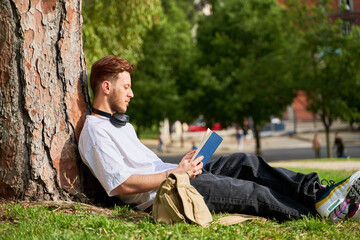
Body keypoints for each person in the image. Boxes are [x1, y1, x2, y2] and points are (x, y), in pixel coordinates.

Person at [79, 55, 360, 223]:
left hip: (176, 177)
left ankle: (319, 192)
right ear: (106, 87)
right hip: (168, 193)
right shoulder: (95, 131)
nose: (131, 94)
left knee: (246, 162)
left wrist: (182, 165)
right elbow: (121, 183)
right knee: (251, 193)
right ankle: (319, 213)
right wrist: (176, 174)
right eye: (126, 87)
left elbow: (146, 165)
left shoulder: (119, 125)